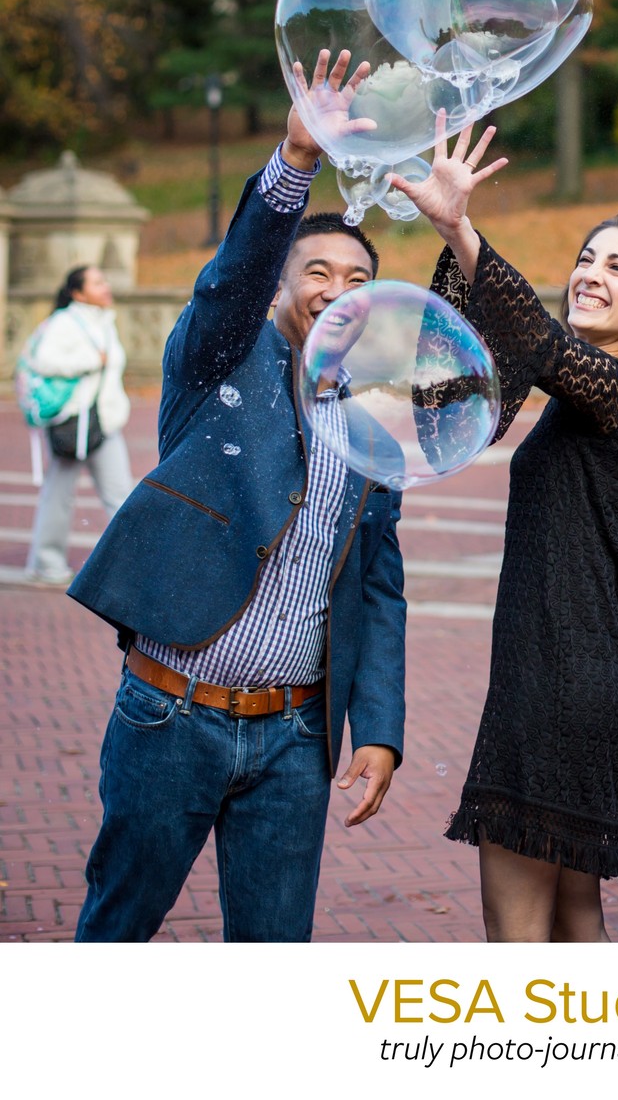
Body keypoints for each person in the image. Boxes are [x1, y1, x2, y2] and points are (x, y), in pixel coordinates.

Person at [69, 50, 406, 943]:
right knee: (115, 928)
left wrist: (377, 727)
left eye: (359, 281)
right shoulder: (218, 357)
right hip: (170, 713)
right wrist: (296, 161)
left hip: (296, 738)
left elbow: (377, 584)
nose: (338, 292)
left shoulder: (374, 426)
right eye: (318, 274)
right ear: (283, 290)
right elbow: (229, 281)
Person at [389, 118, 618, 943]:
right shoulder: (581, 394)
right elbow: (454, 395)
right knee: (570, 917)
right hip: (571, 676)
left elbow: (536, 338)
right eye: (587, 257)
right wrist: (455, 250)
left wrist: (459, 226)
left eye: (617, 268)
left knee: (518, 933)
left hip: (559, 682)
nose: (590, 273)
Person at [24, 266, 134, 586]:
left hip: (104, 422)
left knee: (121, 496)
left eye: (105, 280)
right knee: (58, 495)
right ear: (78, 293)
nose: (106, 286)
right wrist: (89, 363)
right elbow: (42, 361)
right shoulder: (64, 323)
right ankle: (46, 563)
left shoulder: (104, 322)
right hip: (73, 422)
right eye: (97, 282)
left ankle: (131, 565)